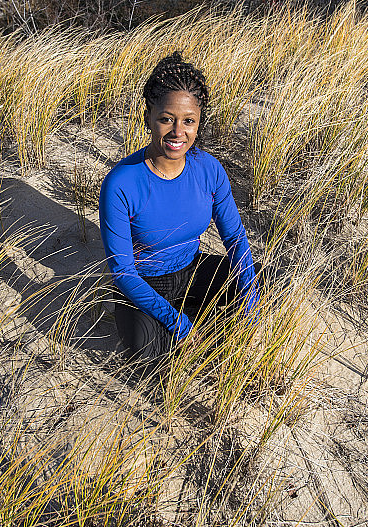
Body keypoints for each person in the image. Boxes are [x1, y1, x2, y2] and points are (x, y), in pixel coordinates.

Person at [98, 51, 259, 372]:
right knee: (149, 359)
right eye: (166, 118)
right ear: (148, 117)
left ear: (198, 123)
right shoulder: (121, 183)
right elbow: (123, 272)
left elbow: (236, 238)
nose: (177, 131)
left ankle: (199, 315)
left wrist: (251, 304)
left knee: (270, 282)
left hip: (192, 270)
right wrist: (177, 323)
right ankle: (181, 321)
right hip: (144, 284)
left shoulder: (208, 169)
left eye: (188, 121)